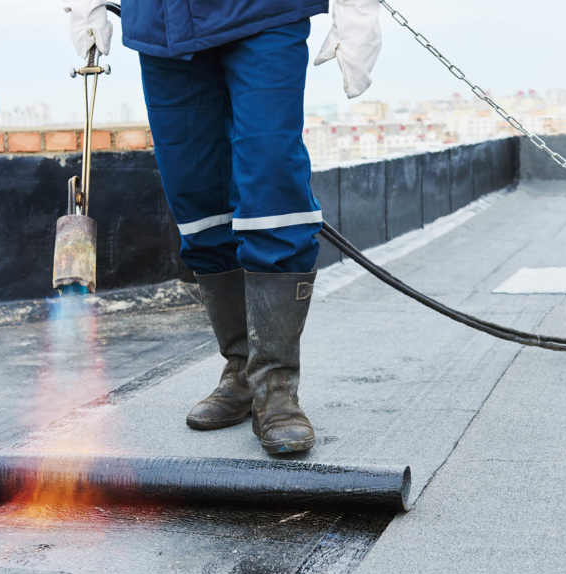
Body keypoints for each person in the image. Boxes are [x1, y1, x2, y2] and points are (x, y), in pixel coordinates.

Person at [63, 0, 381, 453]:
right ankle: (242, 369)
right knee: (197, 199)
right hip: (162, 25)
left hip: (262, 14)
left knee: (273, 187)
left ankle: (275, 387)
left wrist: (357, 13)